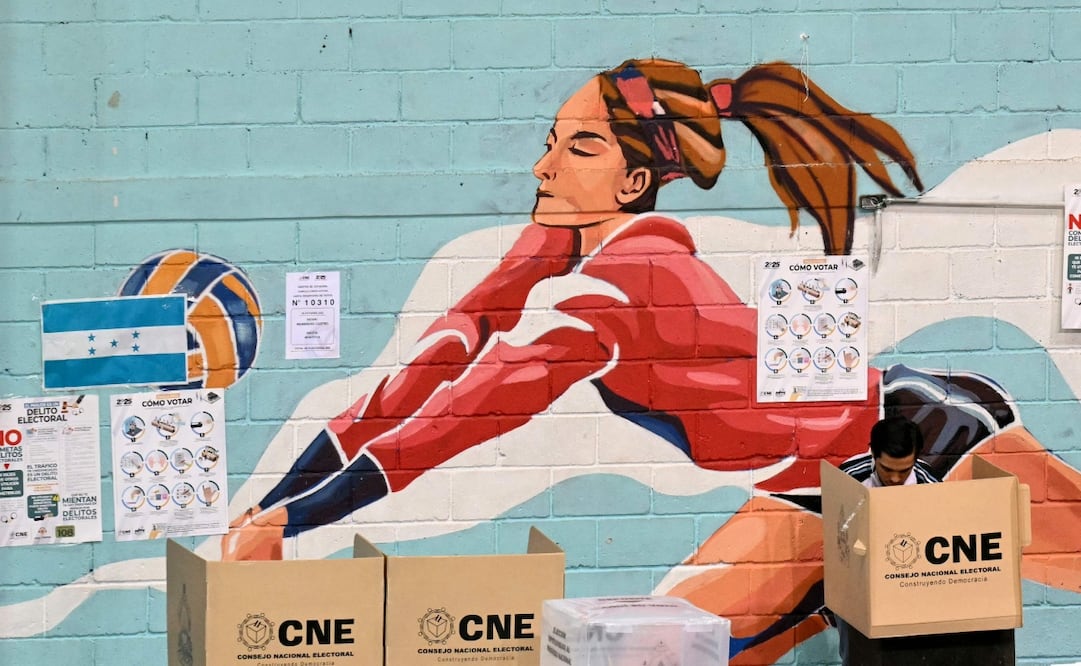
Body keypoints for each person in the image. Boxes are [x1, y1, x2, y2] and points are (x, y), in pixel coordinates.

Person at [222, 58, 1081, 665]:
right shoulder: (554, 251)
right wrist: (271, 506)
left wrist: (300, 524)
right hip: (808, 492)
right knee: (667, 651)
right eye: (552, 141)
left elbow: (463, 415)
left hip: (921, 443)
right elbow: (431, 368)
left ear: (633, 184)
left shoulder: (622, 283)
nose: (542, 166)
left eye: (576, 149)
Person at [840, 414, 940, 487]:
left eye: (904, 471)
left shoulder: (930, 485)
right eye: (887, 469)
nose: (895, 479)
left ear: (915, 460)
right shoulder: (848, 477)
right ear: (873, 454)